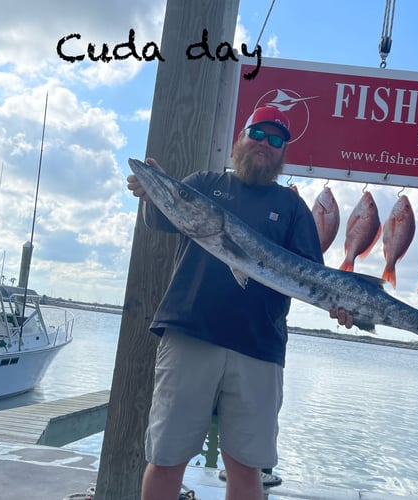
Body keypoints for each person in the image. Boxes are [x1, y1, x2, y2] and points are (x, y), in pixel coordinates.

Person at [127, 106, 353, 500]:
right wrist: (153, 193)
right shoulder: (202, 184)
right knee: (165, 459)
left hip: (259, 348)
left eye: (277, 140)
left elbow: (314, 279)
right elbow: (162, 218)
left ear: (284, 154)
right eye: (259, 134)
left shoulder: (293, 207)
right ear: (240, 138)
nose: (266, 144)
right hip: (189, 335)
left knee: (247, 469)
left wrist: (343, 305)